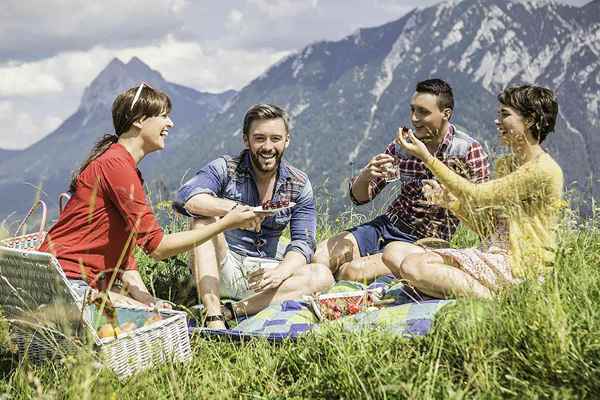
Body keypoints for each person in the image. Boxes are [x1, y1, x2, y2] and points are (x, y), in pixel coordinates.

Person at [39, 83, 261, 308]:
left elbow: (126, 259)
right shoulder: (116, 166)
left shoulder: (122, 165)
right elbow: (158, 248)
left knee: (152, 315)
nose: (170, 123)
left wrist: (148, 300)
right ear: (139, 120)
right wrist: (226, 223)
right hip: (65, 282)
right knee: (146, 322)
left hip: (79, 282)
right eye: (164, 116)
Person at [383, 84, 564, 298]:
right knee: (394, 252)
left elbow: (475, 194)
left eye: (505, 115)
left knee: (413, 267)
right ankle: (463, 289)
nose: (498, 121)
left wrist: (428, 159)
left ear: (530, 120)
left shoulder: (542, 169)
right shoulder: (507, 164)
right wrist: (451, 203)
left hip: (520, 265)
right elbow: (488, 228)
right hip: (492, 255)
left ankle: (496, 302)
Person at [173, 104, 334, 329]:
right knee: (202, 221)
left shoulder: (299, 183)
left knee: (322, 275)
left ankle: (233, 310)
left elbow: (304, 241)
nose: (268, 147)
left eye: (275, 139)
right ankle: (213, 317)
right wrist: (235, 210)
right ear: (246, 140)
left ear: (286, 140)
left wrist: (282, 272)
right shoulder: (225, 168)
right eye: (259, 138)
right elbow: (184, 199)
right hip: (223, 265)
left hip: (267, 275)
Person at [313, 79, 490, 282]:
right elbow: (360, 199)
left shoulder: (467, 151)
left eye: (423, 112)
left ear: (446, 114)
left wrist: (448, 195)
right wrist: (366, 174)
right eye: (413, 110)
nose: (414, 118)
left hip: (424, 242)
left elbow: (482, 214)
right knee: (321, 257)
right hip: (387, 225)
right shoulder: (403, 146)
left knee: (351, 272)